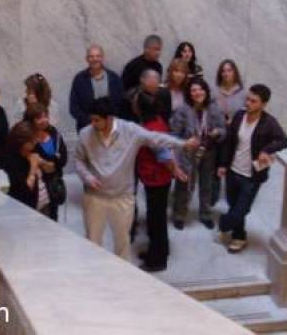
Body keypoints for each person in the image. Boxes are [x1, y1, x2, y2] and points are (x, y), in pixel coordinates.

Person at [75, 97, 198, 261]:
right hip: (95, 197)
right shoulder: (85, 134)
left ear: (110, 118)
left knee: (122, 241)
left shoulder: (130, 131)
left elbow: (156, 138)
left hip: (122, 197)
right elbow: (78, 160)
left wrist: (182, 144)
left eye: (97, 120)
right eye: (91, 119)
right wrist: (87, 176)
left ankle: (122, 276)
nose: (93, 124)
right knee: (92, 240)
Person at [217, 85, 287, 253]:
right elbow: (229, 142)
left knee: (242, 209)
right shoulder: (239, 116)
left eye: (253, 101)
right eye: (247, 99)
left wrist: (267, 150)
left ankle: (225, 224)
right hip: (233, 171)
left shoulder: (269, 122)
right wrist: (222, 164)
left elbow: (283, 140)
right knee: (233, 205)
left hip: (252, 176)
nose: (248, 103)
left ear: (263, 104)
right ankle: (239, 237)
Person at [134, 91, 187, 271]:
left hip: (157, 180)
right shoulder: (155, 122)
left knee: (156, 220)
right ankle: (157, 251)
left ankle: (158, 260)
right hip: (155, 179)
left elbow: (164, 155)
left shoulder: (152, 128)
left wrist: (176, 170)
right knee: (155, 217)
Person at [170, 78, 226, 230]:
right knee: (184, 185)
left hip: (209, 153)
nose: (197, 93)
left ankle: (205, 214)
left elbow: (223, 129)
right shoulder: (183, 109)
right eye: (193, 90)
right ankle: (179, 214)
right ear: (189, 93)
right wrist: (186, 141)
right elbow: (174, 134)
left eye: (200, 89)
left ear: (206, 91)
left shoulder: (214, 108)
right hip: (187, 154)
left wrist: (217, 132)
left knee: (207, 185)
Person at [24, 103, 68, 221]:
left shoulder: (54, 133)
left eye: (45, 116)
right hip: (38, 186)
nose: (44, 120)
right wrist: (49, 163)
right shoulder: (27, 138)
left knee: (53, 217)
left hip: (53, 183)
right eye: (39, 118)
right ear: (31, 120)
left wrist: (46, 163)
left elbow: (63, 159)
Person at [212, 59, 247, 204]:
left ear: (235, 72)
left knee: (231, 165)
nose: (226, 73)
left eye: (229, 70)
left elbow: (247, 112)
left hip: (235, 135)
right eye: (223, 70)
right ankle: (212, 198)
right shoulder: (213, 90)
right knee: (214, 165)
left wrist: (234, 120)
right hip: (217, 134)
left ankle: (231, 197)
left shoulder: (243, 92)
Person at [69, 45, 123, 132]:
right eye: (91, 56)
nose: (95, 59)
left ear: (102, 58)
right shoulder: (79, 79)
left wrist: (111, 121)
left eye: (98, 56)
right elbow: (74, 107)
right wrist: (90, 122)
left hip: (111, 128)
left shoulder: (114, 78)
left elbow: (121, 103)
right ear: (87, 59)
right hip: (87, 128)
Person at [4, 121, 52, 215]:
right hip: (26, 208)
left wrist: (43, 163)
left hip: (43, 202)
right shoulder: (11, 161)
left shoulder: (35, 148)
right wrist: (33, 168)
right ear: (21, 142)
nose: (36, 142)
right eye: (32, 140)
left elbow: (51, 168)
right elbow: (24, 191)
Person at [120, 35, 163, 121]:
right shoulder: (133, 66)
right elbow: (124, 90)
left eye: (159, 50)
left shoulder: (158, 66)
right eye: (156, 49)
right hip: (133, 110)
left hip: (152, 110)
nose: (158, 53)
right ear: (146, 49)